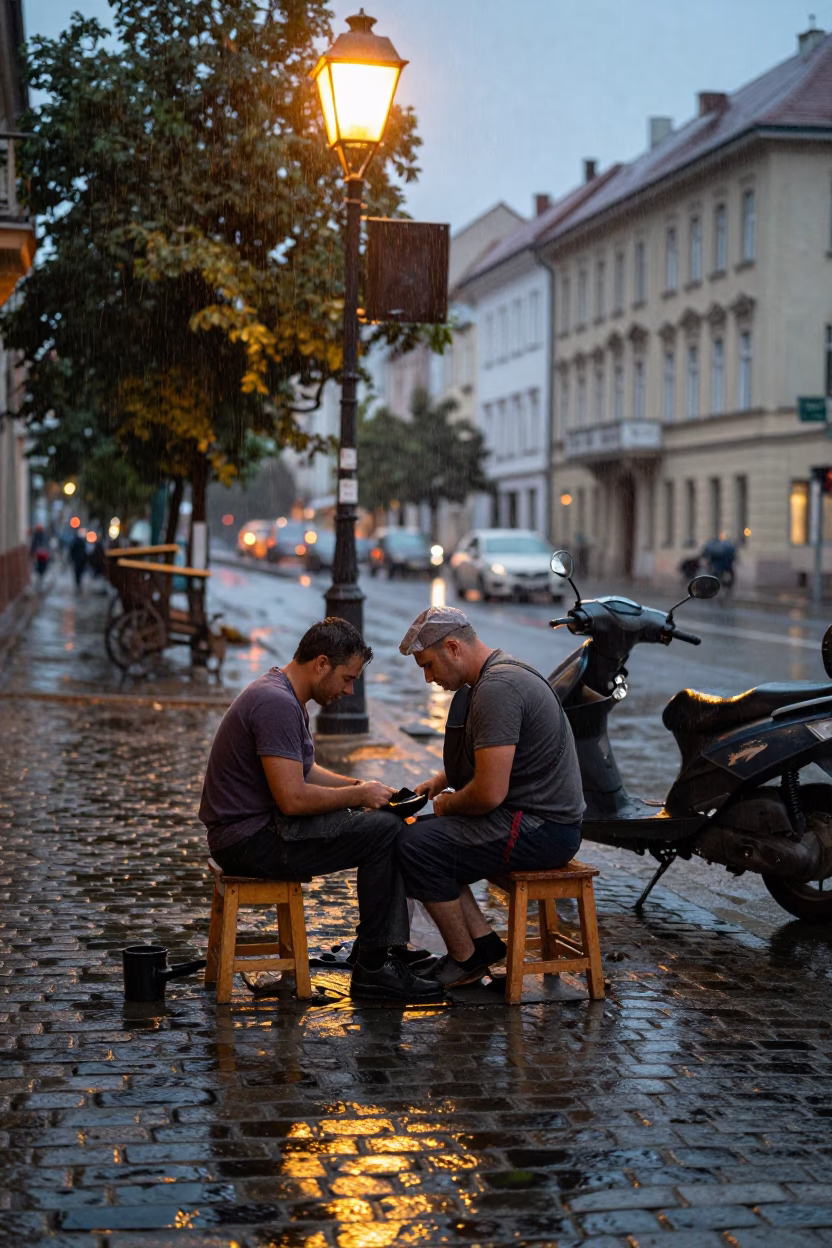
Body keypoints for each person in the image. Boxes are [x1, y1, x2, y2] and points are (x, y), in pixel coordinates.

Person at [199, 616, 443, 1002]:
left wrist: (362, 786)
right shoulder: (276, 703)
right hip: (249, 841)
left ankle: (377, 952)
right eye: (347, 678)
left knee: (384, 819)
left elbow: (307, 771)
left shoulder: (283, 694)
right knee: (385, 831)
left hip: (253, 832)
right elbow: (293, 798)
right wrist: (359, 798)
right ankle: (376, 965)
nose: (349, 690)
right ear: (321, 664)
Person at [397, 606, 585, 988]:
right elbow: (492, 753)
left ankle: (464, 961)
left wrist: (447, 804)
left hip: (542, 827)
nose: (429, 678)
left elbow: (488, 794)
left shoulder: (497, 689)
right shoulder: (497, 674)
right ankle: (482, 946)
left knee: (414, 846)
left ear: (453, 647)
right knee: (419, 834)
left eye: (429, 665)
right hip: (535, 818)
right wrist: (440, 781)